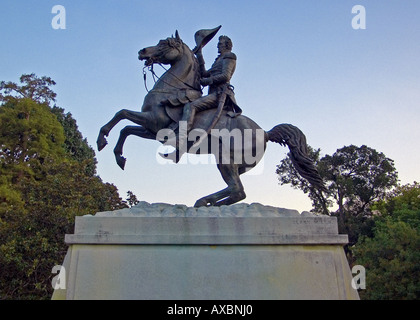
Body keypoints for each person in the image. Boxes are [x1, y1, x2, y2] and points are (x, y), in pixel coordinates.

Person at [163, 35, 241, 162]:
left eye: (220, 43)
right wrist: (199, 54)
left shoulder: (229, 56)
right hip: (213, 94)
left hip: (220, 95)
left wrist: (208, 81)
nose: (218, 45)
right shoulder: (218, 59)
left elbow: (225, 76)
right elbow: (204, 73)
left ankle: (180, 139)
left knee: (191, 106)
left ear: (227, 45)